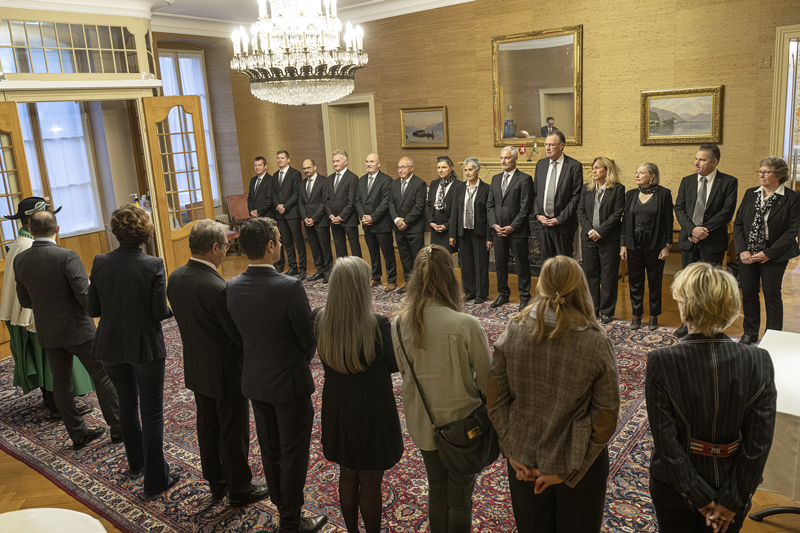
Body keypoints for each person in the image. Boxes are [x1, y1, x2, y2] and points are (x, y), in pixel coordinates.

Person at [488, 255, 620, 533]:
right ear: (580, 287)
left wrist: (511, 450)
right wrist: (573, 469)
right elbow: (606, 416)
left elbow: (495, 397)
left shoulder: (514, 329)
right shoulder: (596, 342)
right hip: (577, 465)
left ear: (541, 286)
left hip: (524, 462)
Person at [646, 262, 776, 533]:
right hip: (733, 483)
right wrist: (732, 501)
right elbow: (758, 443)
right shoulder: (758, 360)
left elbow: (666, 443)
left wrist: (699, 497)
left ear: (684, 306)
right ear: (730, 306)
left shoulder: (661, 361)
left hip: (675, 488)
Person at [227, 217, 327, 533]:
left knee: (270, 449)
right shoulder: (289, 287)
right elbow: (308, 339)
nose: (281, 245)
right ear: (271, 246)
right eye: (280, 241)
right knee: (293, 453)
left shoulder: (231, 286)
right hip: (290, 384)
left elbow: (236, 336)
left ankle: (283, 507)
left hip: (255, 381)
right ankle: (290, 521)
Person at [167, 220, 270, 508]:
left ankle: (216, 482)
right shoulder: (217, 287)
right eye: (225, 246)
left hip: (197, 368)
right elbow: (237, 335)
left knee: (208, 428)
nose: (226, 251)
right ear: (214, 248)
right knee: (233, 432)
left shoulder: (175, 278)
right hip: (225, 372)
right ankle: (240, 488)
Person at [392, 245, 491, 533]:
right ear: (450, 277)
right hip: (463, 428)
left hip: (423, 424)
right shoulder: (466, 325)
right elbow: (487, 382)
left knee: (436, 492)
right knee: (460, 498)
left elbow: (403, 372)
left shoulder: (398, 324)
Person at [88, 205, 178, 500]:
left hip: (110, 344)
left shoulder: (100, 261)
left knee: (127, 405)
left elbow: (94, 309)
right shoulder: (153, 264)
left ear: (115, 231)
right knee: (152, 413)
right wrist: (172, 310)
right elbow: (158, 312)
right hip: (145, 345)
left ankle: (136, 462)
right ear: (145, 232)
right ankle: (155, 480)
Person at [14, 209, 121, 450]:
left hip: (48, 331)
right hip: (79, 329)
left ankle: (78, 434)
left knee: (61, 384)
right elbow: (84, 297)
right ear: (57, 229)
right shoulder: (66, 256)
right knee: (102, 376)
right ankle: (118, 427)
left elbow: (25, 300)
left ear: (30, 230)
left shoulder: (20, 259)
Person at [312, 256, 403, 533]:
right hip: (373, 411)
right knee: (371, 481)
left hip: (339, 408)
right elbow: (395, 364)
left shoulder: (319, 318)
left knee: (348, 474)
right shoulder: (377, 324)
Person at [1, 197, 94, 420]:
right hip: (38, 316)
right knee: (54, 367)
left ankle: (55, 402)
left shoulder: (20, 242)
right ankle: (57, 406)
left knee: (52, 366)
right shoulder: (28, 245)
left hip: (35, 313)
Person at [733, 156, 800, 345]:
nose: (761, 175)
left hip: (775, 254)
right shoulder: (750, 194)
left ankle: (773, 338)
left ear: (778, 175)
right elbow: (738, 223)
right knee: (748, 292)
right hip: (748, 254)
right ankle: (750, 333)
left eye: (766, 172)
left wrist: (769, 253)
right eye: (760, 171)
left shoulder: (792, 198)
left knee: (771, 294)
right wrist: (742, 250)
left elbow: (791, 231)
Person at [673, 144, 738, 338]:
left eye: (701, 159)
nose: (696, 162)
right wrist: (692, 229)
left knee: (710, 287)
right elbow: (679, 208)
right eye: (696, 158)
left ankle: (711, 325)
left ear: (714, 162)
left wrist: (704, 230)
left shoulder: (728, 182)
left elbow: (727, 211)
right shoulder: (687, 181)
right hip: (689, 240)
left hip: (713, 241)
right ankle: (688, 323)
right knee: (688, 285)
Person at [620, 163, 674, 331]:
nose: (637, 175)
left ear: (652, 176)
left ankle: (653, 315)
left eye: (642, 172)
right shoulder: (630, 194)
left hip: (655, 245)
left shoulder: (664, 194)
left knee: (655, 281)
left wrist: (667, 246)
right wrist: (623, 244)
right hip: (633, 244)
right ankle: (636, 315)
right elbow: (625, 222)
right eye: (636, 172)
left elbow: (668, 221)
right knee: (635, 281)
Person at [577, 157, 625, 324]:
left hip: (609, 239)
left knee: (608, 276)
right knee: (590, 275)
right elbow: (580, 212)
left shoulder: (618, 189)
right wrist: (590, 230)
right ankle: (592, 309)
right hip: (589, 238)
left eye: (598, 167)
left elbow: (617, 214)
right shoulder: (586, 189)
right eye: (593, 168)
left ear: (607, 170)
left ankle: (606, 311)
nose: (594, 171)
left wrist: (600, 232)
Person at [487, 146, 533, 310]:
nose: (503, 161)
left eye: (506, 158)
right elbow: (490, 206)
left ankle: (525, 297)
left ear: (515, 159)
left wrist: (512, 227)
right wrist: (494, 225)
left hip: (517, 231)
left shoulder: (525, 179)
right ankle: (503, 294)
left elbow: (525, 208)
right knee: (500, 264)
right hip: (498, 230)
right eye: (501, 158)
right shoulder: (495, 179)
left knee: (522, 266)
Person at [533, 131, 584, 264]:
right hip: (543, 225)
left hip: (563, 225)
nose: (547, 148)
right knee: (546, 265)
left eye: (551, 145)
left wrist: (559, 219)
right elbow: (535, 194)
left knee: (564, 266)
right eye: (546, 145)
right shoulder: (541, 164)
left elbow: (576, 197)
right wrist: (538, 215)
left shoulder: (574, 166)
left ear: (561, 146)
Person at [449, 158, 492, 304]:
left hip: (479, 232)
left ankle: (481, 294)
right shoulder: (459, 187)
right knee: (466, 263)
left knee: (481, 263)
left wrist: (489, 236)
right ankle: (469, 291)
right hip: (463, 232)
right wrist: (452, 234)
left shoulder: (486, 189)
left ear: (478, 170)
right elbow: (454, 211)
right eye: (466, 170)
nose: (467, 173)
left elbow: (489, 214)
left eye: (470, 169)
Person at [356, 153, 397, 291]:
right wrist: (363, 216)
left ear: (378, 164)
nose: (368, 164)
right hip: (367, 225)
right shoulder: (361, 180)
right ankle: (376, 277)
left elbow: (385, 203)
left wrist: (372, 217)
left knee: (388, 254)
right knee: (373, 253)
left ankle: (392, 280)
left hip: (381, 224)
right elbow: (358, 201)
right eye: (367, 161)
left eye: (372, 161)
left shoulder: (386, 180)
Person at [389, 157, 427, 294]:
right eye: (399, 167)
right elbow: (391, 204)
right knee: (404, 257)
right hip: (399, 228)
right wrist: (397, 220)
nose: (400, 170)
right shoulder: (393, 184)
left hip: (414, 228)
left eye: (403, 167)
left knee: (417, 258)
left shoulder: (420, 184)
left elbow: (419, 207)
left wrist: (405, 222)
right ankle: (409, 283)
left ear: (411, 168)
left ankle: (420, 286)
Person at [273, 150, 307, 279]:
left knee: (298, 242)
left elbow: (296, 193)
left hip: (292, 213)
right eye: (278, 158)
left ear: (288, 160)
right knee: (287, 242)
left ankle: (302, 268)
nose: (279, 160)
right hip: (280, 215)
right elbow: (274, 194)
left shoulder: (295, 174)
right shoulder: (275, 175)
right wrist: (277, 206)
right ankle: (293, 267)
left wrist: (285, 206)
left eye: (282, 158)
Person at [299, 159, 333, 283]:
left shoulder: (324, 181)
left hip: (321, 221)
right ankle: (320, 270)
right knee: (314, 246)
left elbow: (325, 202)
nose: (306, 171)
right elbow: (301, 203)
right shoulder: (302, 184)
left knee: (324, 247)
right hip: (307, 222)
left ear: (314, 167)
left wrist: (314, 218)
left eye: (308, 168)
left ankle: (329, 271)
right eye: (304, 169)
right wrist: (305, 218)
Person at [327, 150, 362, 259]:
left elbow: (352, 202)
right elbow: (327, 200)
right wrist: (330, 215)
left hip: (349, 220)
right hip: (334, 220)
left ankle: (358, 273)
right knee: (339, 249)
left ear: (345, 162)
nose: (335, 164)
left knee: (355, 249)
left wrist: (341, 217)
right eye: (333, 161)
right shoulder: (330, 178)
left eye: (338, 161)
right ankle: (343, 273)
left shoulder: (353, 178)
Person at [426, 156, 459, 253]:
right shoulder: (434, 183)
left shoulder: (458, 185)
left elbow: (458, 210)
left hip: (449, 227)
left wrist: (447, 225)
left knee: (447, 258)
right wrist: (431, 222)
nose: (441, 170)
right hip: (435, 226)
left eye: (444, 167)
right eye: (438, 167)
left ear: (451, 169)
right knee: (435, 257)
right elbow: (428, 205)